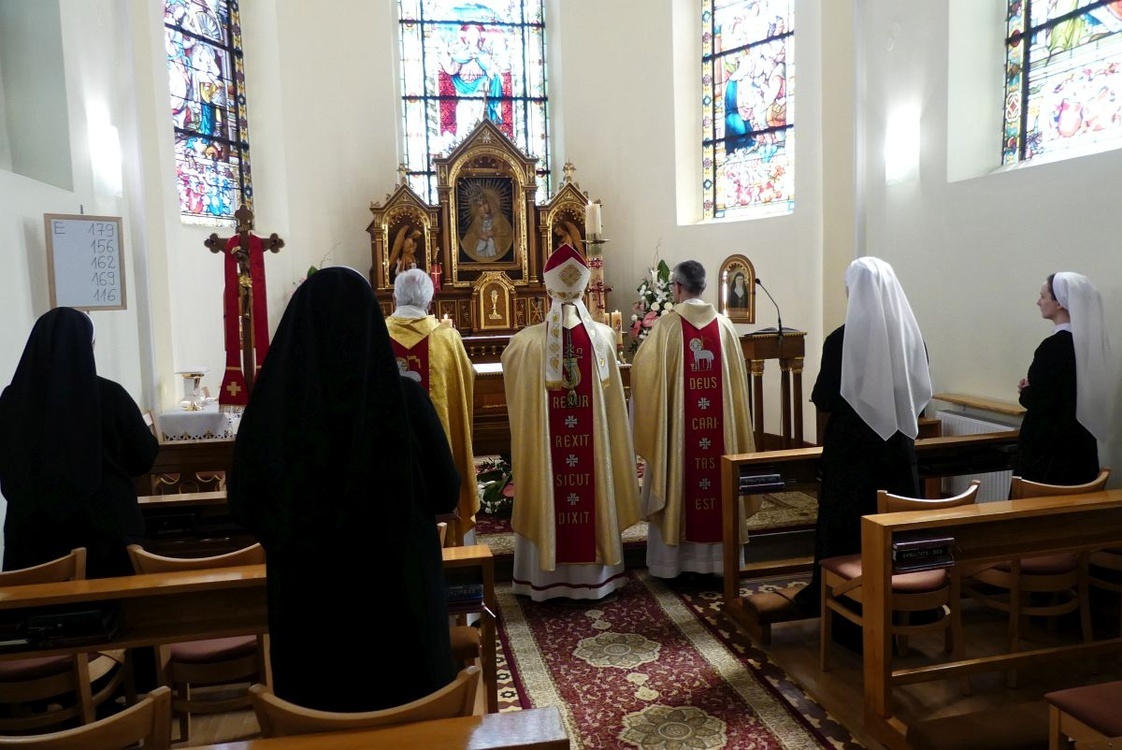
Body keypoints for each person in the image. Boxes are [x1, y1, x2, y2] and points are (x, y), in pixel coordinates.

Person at [227, 266, 460, 711]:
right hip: (401, 616)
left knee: (316, 725)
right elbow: (447, 492)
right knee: (413, 724)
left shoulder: (273, 412)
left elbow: (244, 506)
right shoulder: (406, 401)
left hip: (311, 623)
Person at [791, 256, 932, 617]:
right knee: (895, 526)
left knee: (847, 528)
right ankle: (906, 603)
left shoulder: (841, 339)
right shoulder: (910, 336)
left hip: (851, 455)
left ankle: (843, 607)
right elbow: (918, 392)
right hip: (897, 451)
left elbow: (824, 398)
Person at [501, 244, 640, 601]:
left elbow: (515, 397)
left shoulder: (525, 344)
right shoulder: (604, 339)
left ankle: (543, 579)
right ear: (584, 288)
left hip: (549, 460)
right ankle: (598, 579)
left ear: (547, 288)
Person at [0, 307, 158, 579]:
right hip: (106, 529)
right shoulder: (110, 395)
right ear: (88, 346)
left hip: (32, 534)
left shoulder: (12, 400)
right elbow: (143, 457)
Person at [631, 260, 756, 579]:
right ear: (703, 286)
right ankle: (719, 564)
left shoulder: (667, 327)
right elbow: (737, 391)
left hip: (681, 441)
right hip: (720, 440)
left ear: (677, 287)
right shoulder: (725, 327)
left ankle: (674, 564)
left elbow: (643, 375)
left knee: (679, 470)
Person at [387, 268, 478, 544]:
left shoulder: (376, 336)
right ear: (430, 300)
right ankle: (451, 543)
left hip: (389, 457)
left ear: (395, 298)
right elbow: (466, 379)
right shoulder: (446, 338)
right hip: (439, 452)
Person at [1016, 272, 1111, 485]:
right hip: (1081, 442)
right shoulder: (1089, 346)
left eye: (1043, 296)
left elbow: (1040, 400)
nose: (1038, 302)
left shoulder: (1053, 347)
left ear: (1059, 303)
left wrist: (1026, 391)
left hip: (1050, 448)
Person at [461, 189, 512, 261]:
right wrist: (480, 236)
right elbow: (469, 243)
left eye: (485, 203)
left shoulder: (500, 221)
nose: (484, 208)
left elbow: (506, 236)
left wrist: (493, 234)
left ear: (490, 203)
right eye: (480, 206)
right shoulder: (476, 224)